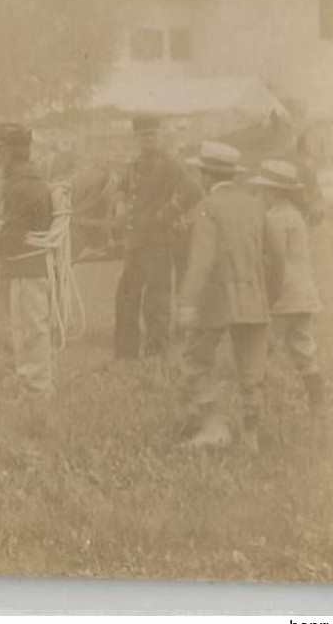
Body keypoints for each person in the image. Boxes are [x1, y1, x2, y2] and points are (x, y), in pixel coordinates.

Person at [175, 141, 270, 449]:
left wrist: (188, 302)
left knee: (195, 360)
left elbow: (202, 259)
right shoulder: (255, 205)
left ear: (206, 176)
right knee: (251, 367)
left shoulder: (208, 207)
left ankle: (214, 426)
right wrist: (271, 294)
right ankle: (251, 436)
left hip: (215, 299)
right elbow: (275, 257)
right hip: (254, 297)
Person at [114, 116, 203, 362]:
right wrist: (120, 206)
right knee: (126, 296)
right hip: (134, 244)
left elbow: (194, 190)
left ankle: (156, 354)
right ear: (137, 138)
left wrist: (166, 212)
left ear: (159, 136)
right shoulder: (135, 165)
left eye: (153, 135)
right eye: (144, 136)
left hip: (158, 244)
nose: (149, 140)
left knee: (156, 301)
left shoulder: (170, 164)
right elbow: (121, 188)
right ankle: (126, 354)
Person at [249, 160, 325, 411]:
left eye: (263, 190)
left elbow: (273, 258)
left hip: (283, 295)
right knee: (304, 347)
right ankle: (317, 401)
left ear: (275, 192)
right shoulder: (295, 215)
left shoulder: (276, 218)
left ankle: (254, 401)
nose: (260, 195)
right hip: (303, 295)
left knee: (260, 347)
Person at [0, 122, 56, 401]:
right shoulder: (30, 183)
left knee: (30, 330)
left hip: (25, 268)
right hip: (25, 267)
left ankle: (37, 390)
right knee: (24, 329)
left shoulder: (21, 188)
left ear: (6, 153)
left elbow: (12, 236)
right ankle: (28, 383)